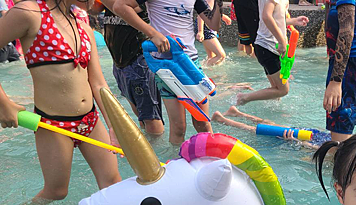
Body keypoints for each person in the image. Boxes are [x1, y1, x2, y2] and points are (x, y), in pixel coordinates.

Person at [0, 0, 122, 203]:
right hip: (53, 124)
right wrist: (3, 104)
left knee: (113, 182)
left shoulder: (83, 26)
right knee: (56, 192)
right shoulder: (28, 13)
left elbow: (99, 84)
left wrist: (114, 125)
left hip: (90, 120)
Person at [113, 0, 224, 144]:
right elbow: (119, 6)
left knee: (203, 123)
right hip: (165, 68)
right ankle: (175, 164)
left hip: (191, 64)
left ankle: (212, 159)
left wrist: (218, 4)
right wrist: (152, 34)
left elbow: (214, 25)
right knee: (178, 127)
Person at [90, 0, 164, 136]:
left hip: (139, 56)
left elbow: (123, 8)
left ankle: (155, 154)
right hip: (119, 59)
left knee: (151, 117)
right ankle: (148, 145)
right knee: (140, 114)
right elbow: (94, 9)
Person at [235, 0, 309, 106]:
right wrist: (281, 40)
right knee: (283, 90)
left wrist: (294, 21)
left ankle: (271, 112)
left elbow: (276, 19)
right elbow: (266, 17)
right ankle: (243, 98)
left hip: (268, 47)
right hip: (268, 47)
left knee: (276, 92)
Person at [324, 0, 356, 142]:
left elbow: (347, 31)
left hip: (349, 66)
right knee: (341, 131)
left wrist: (336, 81)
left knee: (339, 140)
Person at [211, 105, 331, 149]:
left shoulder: (344, 141)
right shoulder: (339, 153)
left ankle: (234, 115)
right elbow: (316, 149)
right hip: (305, 137)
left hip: (309, 134)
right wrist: (297, 141)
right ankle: (225, 118)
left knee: (268, 125)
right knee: (259, 129)